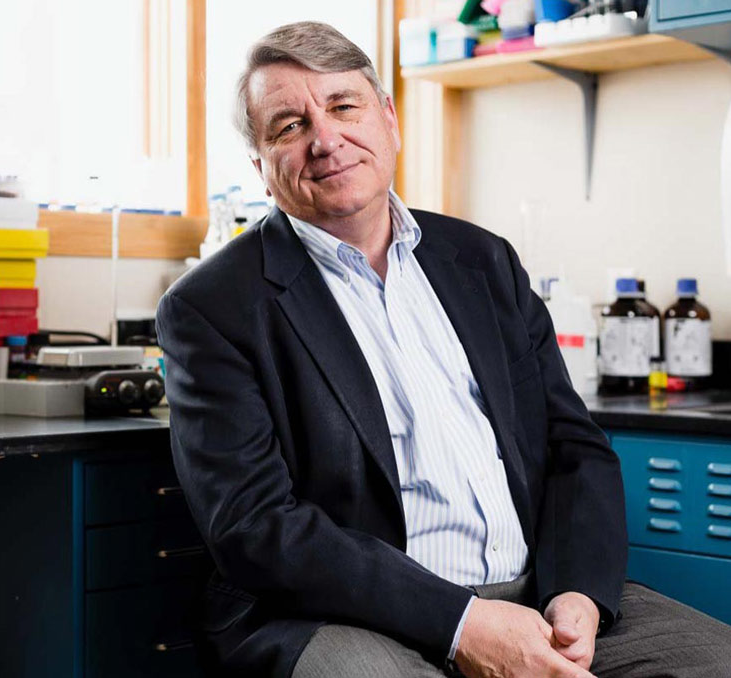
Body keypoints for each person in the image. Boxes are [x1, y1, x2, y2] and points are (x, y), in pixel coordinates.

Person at [155, 20, 731, 678]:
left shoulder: (483, 261)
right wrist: (462, 622)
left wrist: (577, 593)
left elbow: (574, 446)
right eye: (289, 126)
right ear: (260, 165)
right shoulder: (212, 306)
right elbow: (254, 524)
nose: (326, 139)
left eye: (345, 106)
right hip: (344, 615)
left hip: (536, 595)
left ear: (390, 120)